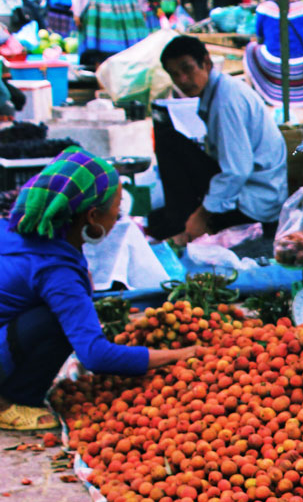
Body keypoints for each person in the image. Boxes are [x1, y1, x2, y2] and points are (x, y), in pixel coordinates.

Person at [0, 150, 198, 432]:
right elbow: (96, 356)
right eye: (118, 209)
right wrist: (180, 354)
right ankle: (12, 402)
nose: (119, 216)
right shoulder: (57, 271)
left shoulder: (17, 230)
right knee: (57, 321)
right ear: (92, 216)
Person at [147, 35, 288, 244]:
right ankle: (181, 221)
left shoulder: (226, 100)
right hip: (252, 192)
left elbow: (237, 171)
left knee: (170, 142)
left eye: (188, 69)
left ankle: (184, 226)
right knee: (156, 221)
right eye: (175, 75)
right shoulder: (218, 91)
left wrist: (201, 216)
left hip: (255, 203)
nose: (182, 80)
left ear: (206, 63)